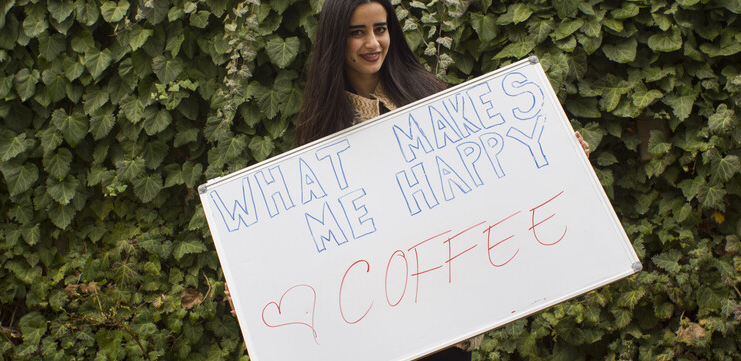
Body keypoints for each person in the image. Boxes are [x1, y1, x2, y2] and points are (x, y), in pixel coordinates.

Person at [227, 0, 590, 359]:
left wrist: (561, 157)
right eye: (357, 33)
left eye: (380, 29)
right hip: (377, 330)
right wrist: (254, 287)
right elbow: (308, 238)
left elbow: (490, 180)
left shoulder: (430, 96)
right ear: (336, 39)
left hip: (448, 315)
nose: (373, 43)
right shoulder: (321, 133)